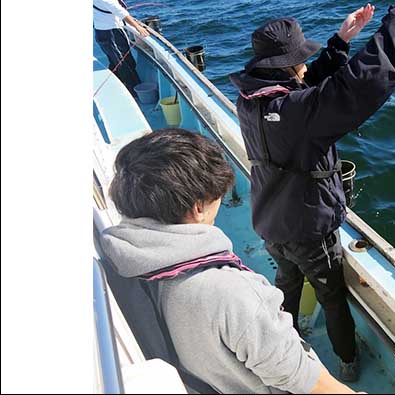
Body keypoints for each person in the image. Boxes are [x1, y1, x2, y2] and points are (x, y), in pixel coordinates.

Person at [229, 0, 395, 382]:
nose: (306, 63)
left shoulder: (251, 99)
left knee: (286, 277)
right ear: (286, 67)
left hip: (268, 219)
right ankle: (348, 361)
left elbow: (305, 89)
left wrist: (340, 41)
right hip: (308, 226)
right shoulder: (298, 112)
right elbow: (361, 83)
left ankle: (286, 336)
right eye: (301, 58)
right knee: (332, 297)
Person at [100, 128, 359, 394]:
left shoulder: (116, 257)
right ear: (198, 208)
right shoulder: (232, 293)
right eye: (217, 199)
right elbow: (301, 379)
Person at [93, 0, 149, 96]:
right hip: (108, 32)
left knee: (118, 62)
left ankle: (110, 89)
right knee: (124, 65)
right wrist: (137, 27)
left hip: (112, 29)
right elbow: (117, 9)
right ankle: (135, 93)